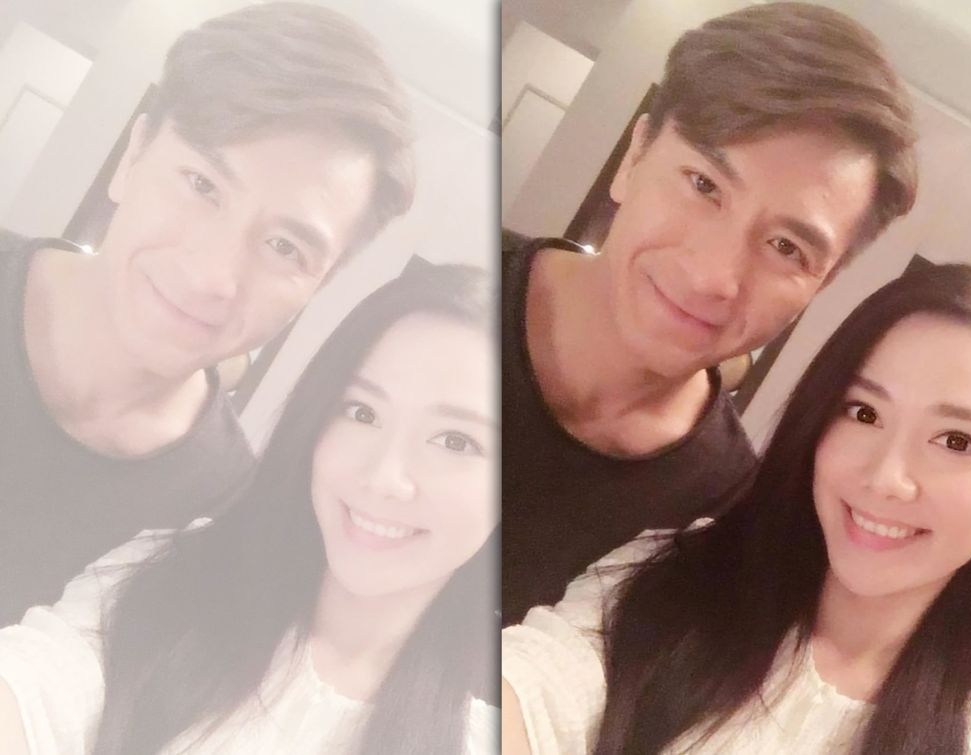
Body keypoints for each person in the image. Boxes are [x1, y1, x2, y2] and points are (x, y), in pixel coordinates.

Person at [503, 264, 971, 754]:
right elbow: (525, 690)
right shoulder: (665, 589)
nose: (885, 478)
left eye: (957, 441)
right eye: (863, 412)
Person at [502, 2, 920, 622]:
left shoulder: (717, 527)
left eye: (786, 247)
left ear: (821, 285)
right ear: (634, 157)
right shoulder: (414, 283)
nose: (713, 276)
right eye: (704, 185)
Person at [0, 2, 417, 623]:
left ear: (318, 285)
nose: (211, 276)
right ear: (132, 156)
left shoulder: (217, 528)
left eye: (285, 247)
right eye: (202, 185)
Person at [0, 264, 497, 754]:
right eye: (361, 411)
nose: (383, 477)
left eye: (455, 441)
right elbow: (33, 686)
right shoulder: (170, 582)